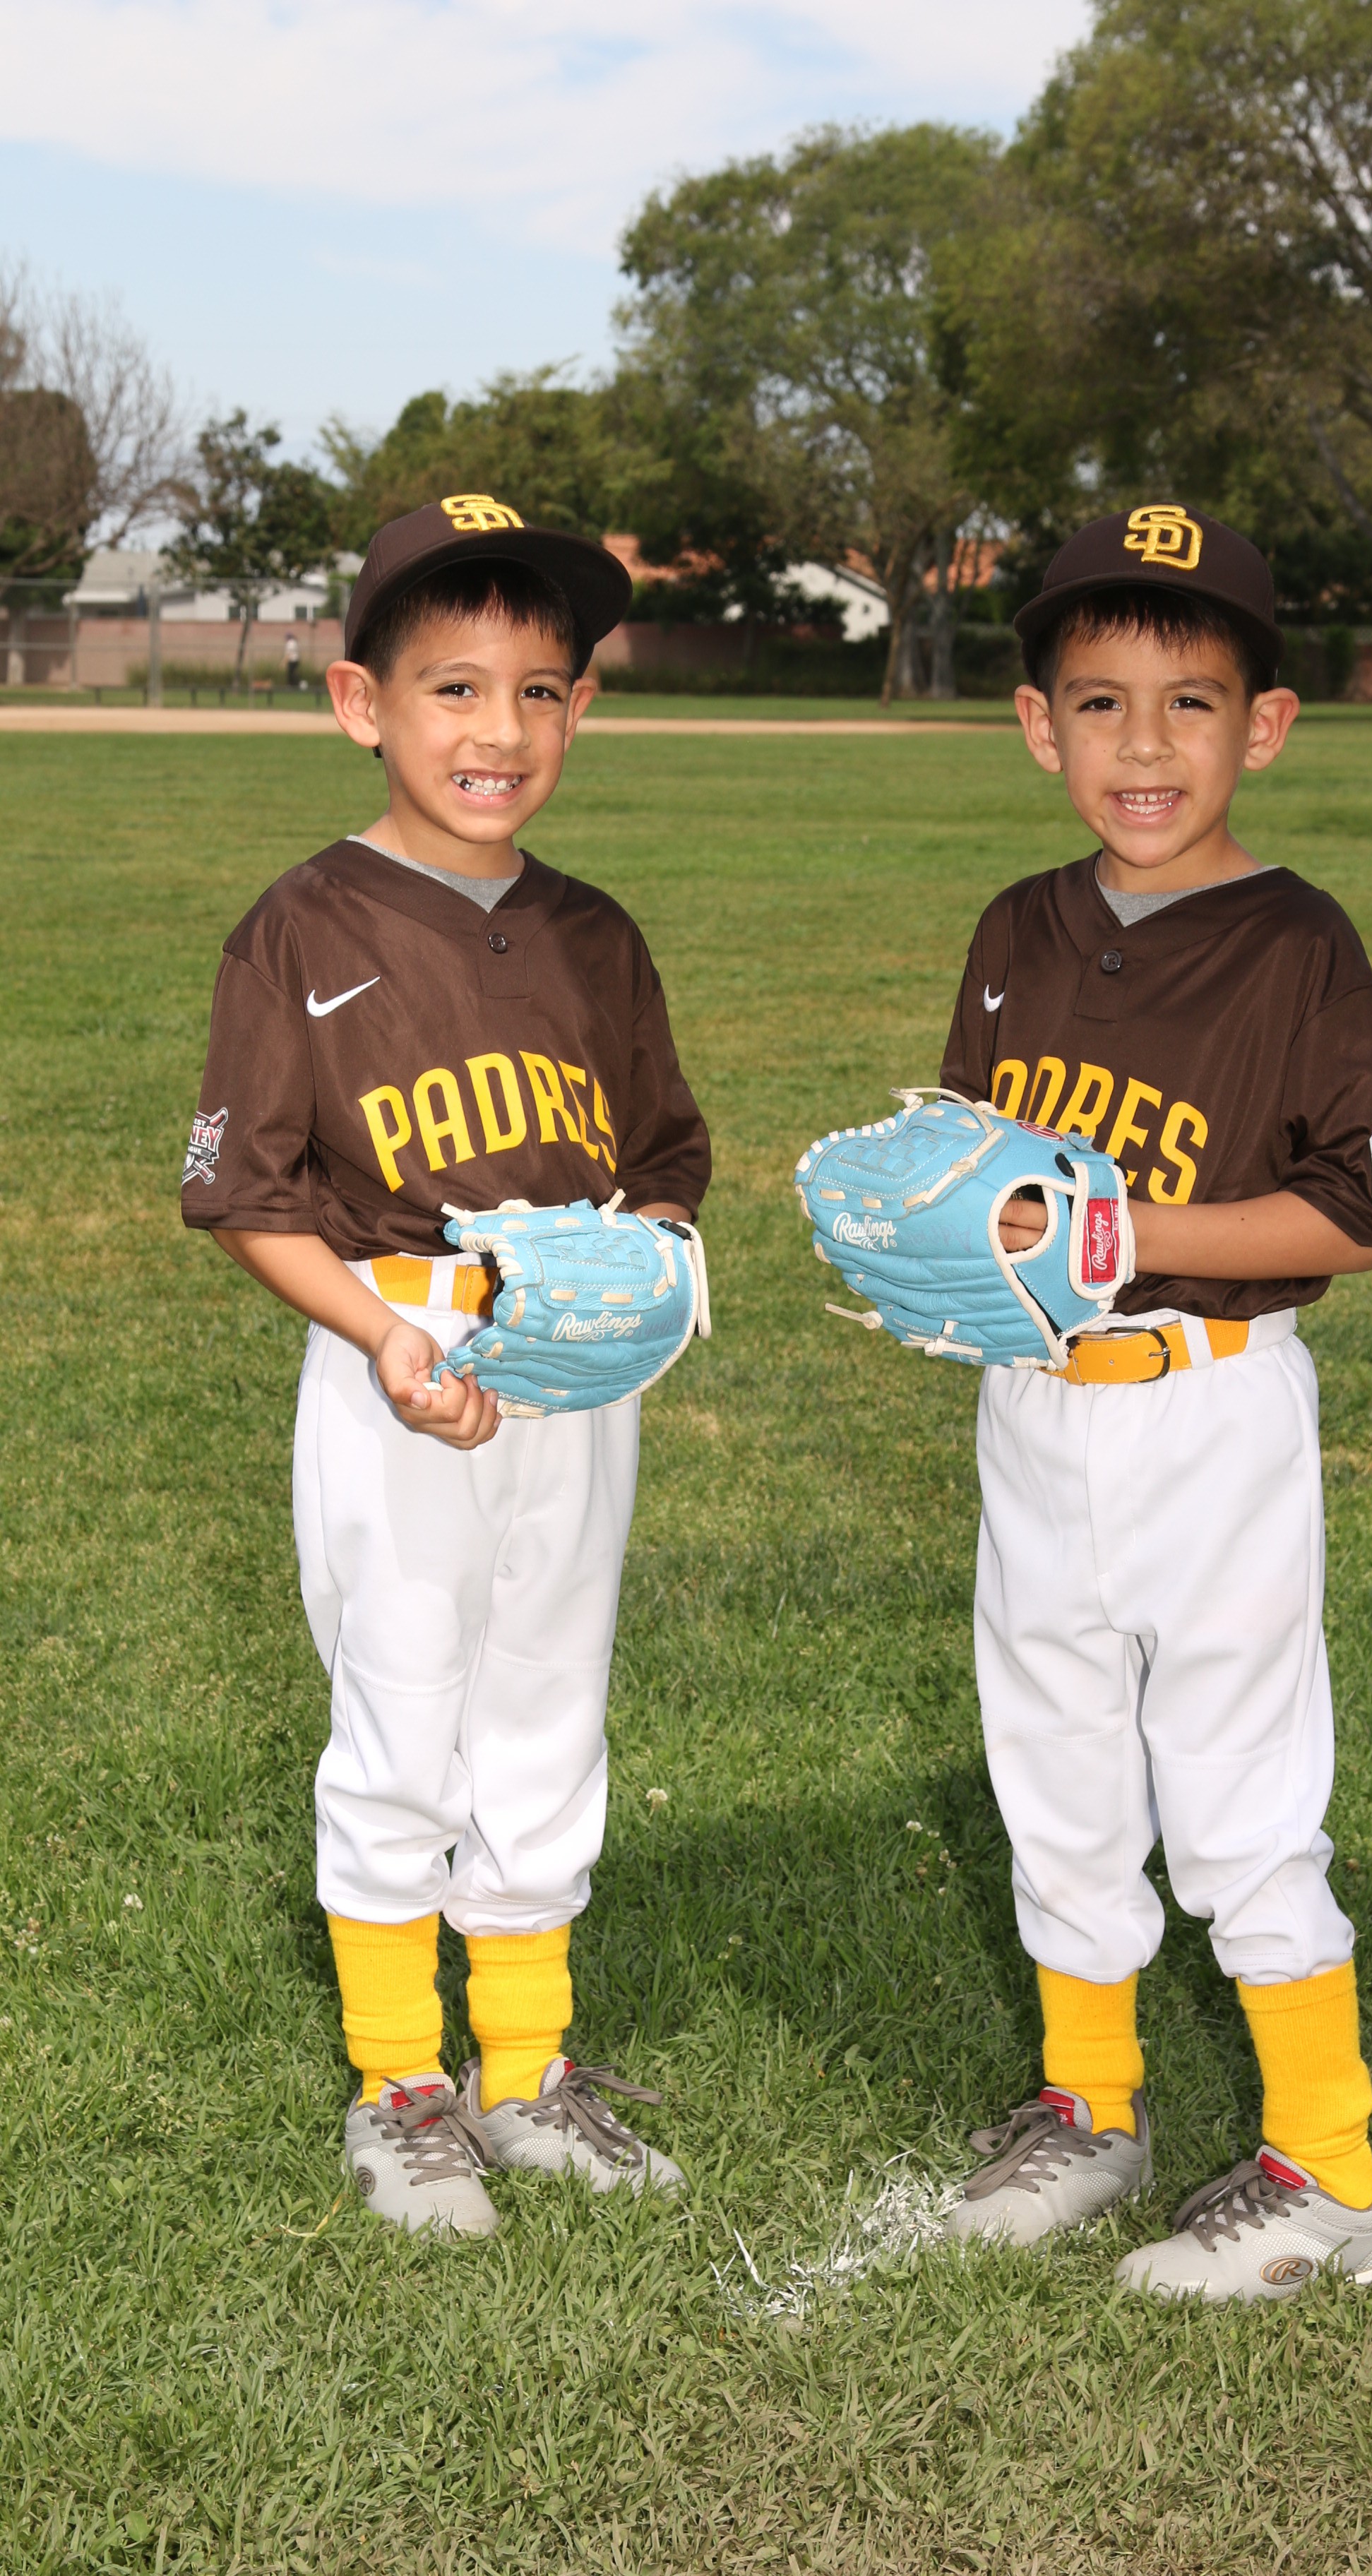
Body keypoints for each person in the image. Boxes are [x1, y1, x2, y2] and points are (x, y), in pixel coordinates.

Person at [181, 495, 710, 2236]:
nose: (501, 731)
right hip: (393, 1360)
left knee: (549, 1704)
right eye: (454, 688)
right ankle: (401, 2081)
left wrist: (637, 1269)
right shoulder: (301, 927)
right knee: (403, 1709)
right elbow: (250, 1197)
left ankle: (525, 2067)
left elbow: (666, 1156)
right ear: (362, 704)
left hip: (571, 1376)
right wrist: (389, 1335)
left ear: (581, 711)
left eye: (541, 690)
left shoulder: (595, 935)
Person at [936, 504, 1372, 2301]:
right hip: (1034, 1406)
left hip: (1211, 1408)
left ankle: (1334, 2168)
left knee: (1233, 1787)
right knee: (1054, 1766)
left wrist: (1123, 1232)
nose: (1143, 747)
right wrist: (935, 1237)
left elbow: (1357, 1213)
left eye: (1190, 703)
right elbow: (978, 1170)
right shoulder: (1016, 926)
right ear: (1037, 727)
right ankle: (1091, 2103)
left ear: (1263, 727)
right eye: (1100, 703)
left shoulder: (1297, 945)